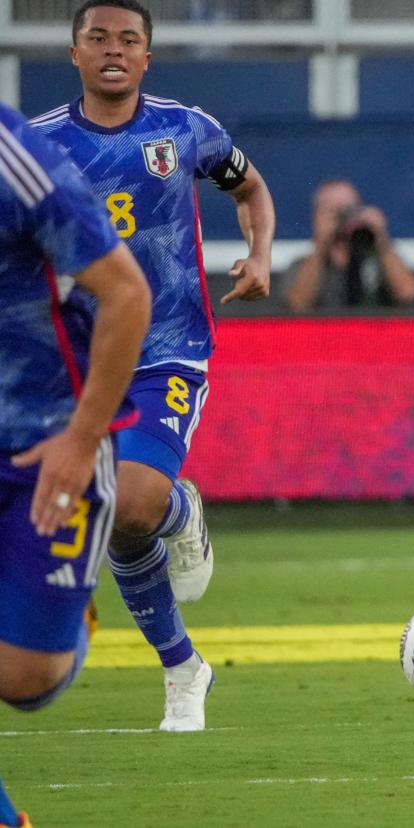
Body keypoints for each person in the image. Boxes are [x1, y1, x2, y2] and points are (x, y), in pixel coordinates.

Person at [31, 0, 276, 732]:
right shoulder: (39, 149)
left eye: (128, 39)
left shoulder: (185, 128)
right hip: (76, 361)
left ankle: (178, 508)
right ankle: (183, 667)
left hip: (168, 348)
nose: (113, 49)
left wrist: (260, 254)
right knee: (117, 520)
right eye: (97, 37)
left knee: (135, 501)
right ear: (73, 53)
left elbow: (251, 189)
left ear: (147, 57)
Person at [0, 102, 151, 828]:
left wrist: (83, 438)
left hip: (46, 440)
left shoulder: (13, 158)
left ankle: (77, 621)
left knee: (24, 680)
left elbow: (126, 293)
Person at [284, 179, 414, 312]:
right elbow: (298, 304)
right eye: (332, 210)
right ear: (316, 216)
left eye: (349, 209)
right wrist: (321, 243)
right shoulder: (303, 264)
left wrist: (381, 239)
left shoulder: (379, 259)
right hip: (325, 333)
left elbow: (407, 294)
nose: (342, 217)